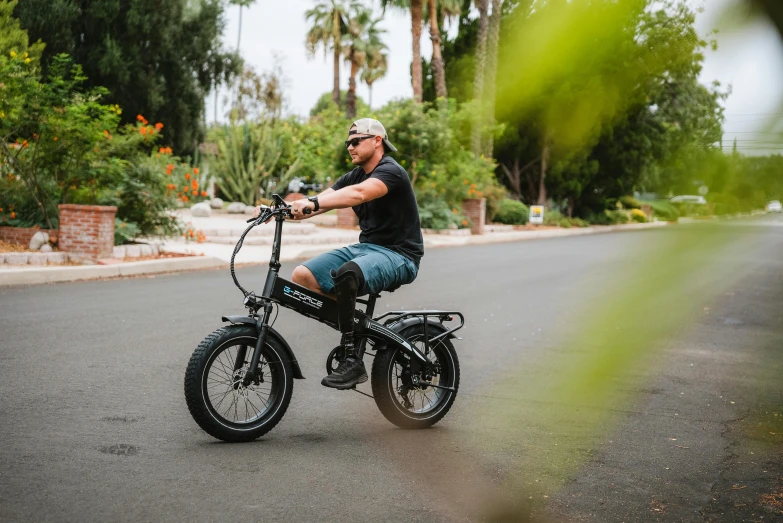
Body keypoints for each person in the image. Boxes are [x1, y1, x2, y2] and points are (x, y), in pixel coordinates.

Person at [253, 118, 423, 389]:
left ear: (377, 141)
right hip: (367, 248)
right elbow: (321, 202)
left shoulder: (391, 171)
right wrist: (281, 209)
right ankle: (357, 327)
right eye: (348, 143)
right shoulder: (354, 175)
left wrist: (312, 202)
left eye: (356, 141)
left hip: (400, 255)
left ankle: (352, 357)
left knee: (347, 274)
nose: (350, 147)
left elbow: (358, 194)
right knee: (303, 275)